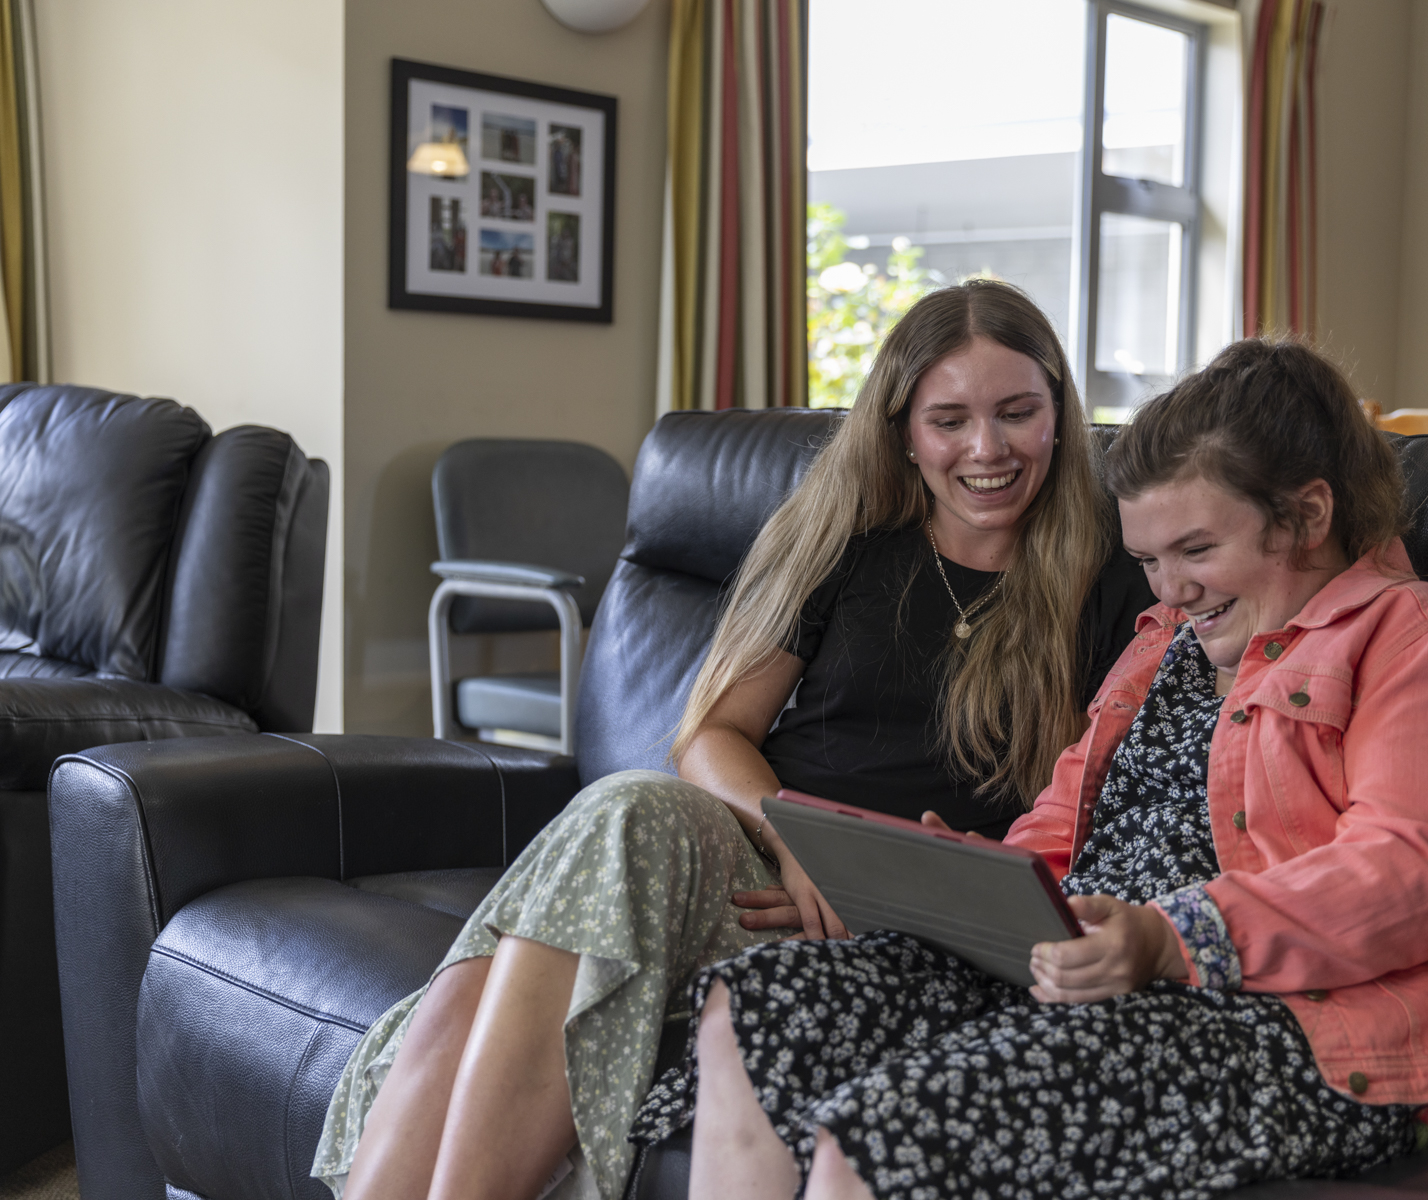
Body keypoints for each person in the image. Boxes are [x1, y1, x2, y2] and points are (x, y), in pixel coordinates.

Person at [311, 279, 1155, 1200]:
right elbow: (710, 734)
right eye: (948, 419)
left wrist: (899, 881)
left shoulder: (1115, 578)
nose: (985, 449)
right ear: (903, 431)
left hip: (922, 914)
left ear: (1061, 417)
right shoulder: (848, 536)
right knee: (625, 817)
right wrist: (795, 834)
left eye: (1017, 413)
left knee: (477, 988)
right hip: (761, 867)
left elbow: (1106, 813)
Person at [633, 338, 1428, 1199]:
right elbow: (1060, 831)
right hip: (1082, 965)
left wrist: (1169, 936)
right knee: (756, 1006)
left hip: (1292, 1016)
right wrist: (966, 877)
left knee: (893, 1125)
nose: (1168, 590)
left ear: (1306, 514)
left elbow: (1413, 872)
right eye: (1146, 559)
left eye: (1195, 551)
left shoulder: (1417, 638)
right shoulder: (1163, 647)